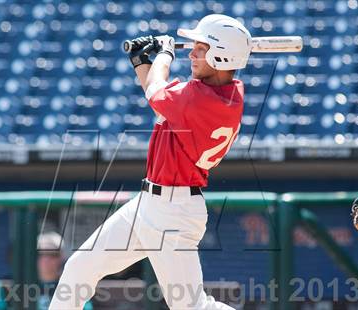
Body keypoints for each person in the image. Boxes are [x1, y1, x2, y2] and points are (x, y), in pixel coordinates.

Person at [49, 14, 251, 310]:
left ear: (222, 56)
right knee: (79, 269)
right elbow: (157, 96)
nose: (192, 54)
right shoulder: (227, 93)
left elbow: (157, 90)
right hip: (150, 204)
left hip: (173, 212)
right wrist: (142, 62)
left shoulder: (198, 98)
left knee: (191, 306)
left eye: (201, 48)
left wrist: (165, 53)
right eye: (193, 47)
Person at [37, 232, 93, 310]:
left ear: (62, 257)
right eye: (41, 254)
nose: (46, 259)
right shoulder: (23, 285)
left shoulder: (72, 286)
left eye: (52, 254)